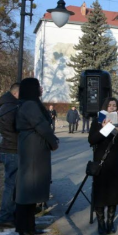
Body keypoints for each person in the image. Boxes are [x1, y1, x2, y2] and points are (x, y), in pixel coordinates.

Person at [15, 78, 58, 234]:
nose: (41, 88)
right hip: (33, 150)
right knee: (28, 190)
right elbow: (43, 126)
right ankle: (25, 228)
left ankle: (28, 227)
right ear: (32, 88)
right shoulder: (30, 105)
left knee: (30, 192)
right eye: (38, 86)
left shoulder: (27, 104)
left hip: (32, 147)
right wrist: (54, 143)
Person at [88, 97, 118, 234]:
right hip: (101, 158)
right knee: (100, 192)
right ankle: (101, 223)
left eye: (115, 105)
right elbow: (92, 140)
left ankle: (110, 222)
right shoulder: (98, 120)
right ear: (105, 107)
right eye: (110, 105)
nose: (112, 107)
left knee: (114, 192)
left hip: (115, 159)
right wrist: (105, 128)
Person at [0, 83, 19, 229]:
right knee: (11, 184)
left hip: (7, 148)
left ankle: (8, 214)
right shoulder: (10, 107)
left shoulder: (4, 104)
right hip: (11, 149)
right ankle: (6, 216)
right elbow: (11, 129)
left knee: (11, 184)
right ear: (16, 93)